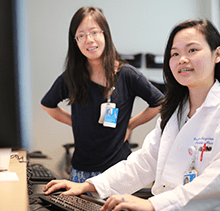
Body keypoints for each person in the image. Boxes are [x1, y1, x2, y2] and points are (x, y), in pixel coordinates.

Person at [43, 19, 220, 211]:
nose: (182, 60)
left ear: (217, 54)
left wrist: (153, 205)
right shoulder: (175, 111)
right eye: (174, 54)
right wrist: (89, 185)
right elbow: (146, 161)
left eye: (192, 50)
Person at [41, 6, 164, 183]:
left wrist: (130, 125)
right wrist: (74, 122)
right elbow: (48, 105)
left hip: (118, 171)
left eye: (94, 32)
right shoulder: (72, 76)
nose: (88, 40)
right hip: (81, 172)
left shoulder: (127, 74)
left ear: (105, 34)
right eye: (81, 35)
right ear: (75, 41)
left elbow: (159, 102)